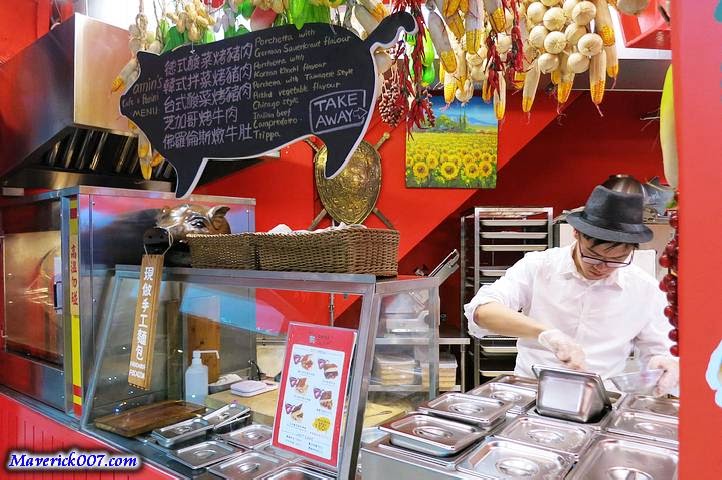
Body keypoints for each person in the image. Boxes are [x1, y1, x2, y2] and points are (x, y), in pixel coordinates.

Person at [464, 185, 679, 396]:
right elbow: (482, 312)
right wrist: (545, 333)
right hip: (531, 393)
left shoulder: (644, 288)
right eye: (593, 256)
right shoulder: (538, 267)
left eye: (617, 260)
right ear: (576, 233)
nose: (602, 267)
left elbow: (659, 351)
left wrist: (664, 363)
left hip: (601, 399)